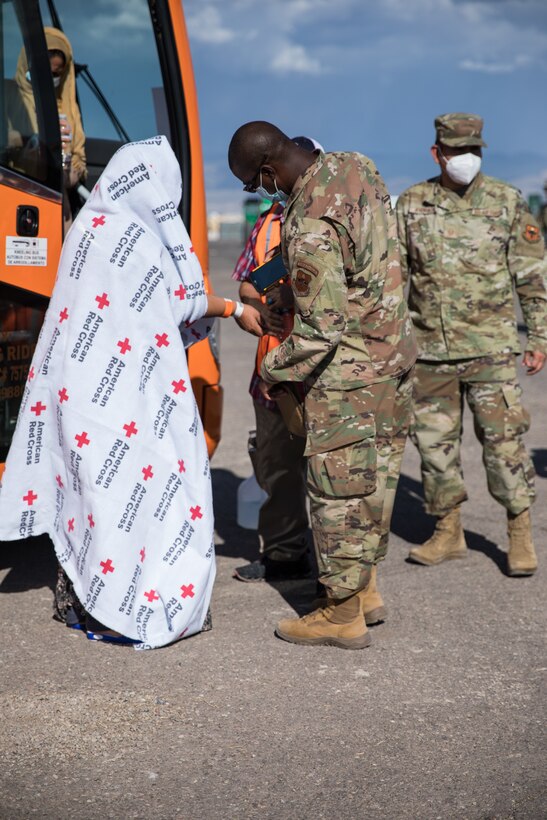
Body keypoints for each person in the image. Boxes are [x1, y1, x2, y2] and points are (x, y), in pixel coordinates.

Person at [0, 135, 262, 648]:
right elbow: (181, 302)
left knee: (91, 492)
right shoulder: (139, 239)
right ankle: (131, 597)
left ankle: (85, 597)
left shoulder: (86, 228)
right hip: (133, 400)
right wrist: (233, 309)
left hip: (79, 396)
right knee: (141, 493)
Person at [228, 122, 417, 649]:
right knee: (373, 486)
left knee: (337, 494)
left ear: (268, 168)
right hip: (393, 357)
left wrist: (274, 370)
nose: (266, 193)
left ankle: (341, 615)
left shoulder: (306, 220)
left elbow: (321, 330)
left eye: (259, 183)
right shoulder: (355, 164)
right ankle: (367, 591)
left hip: (348, 374)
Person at [396, 112, 547, 576]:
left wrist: (538, 334)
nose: (466, 160)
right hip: (431, 353)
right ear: (436, 153)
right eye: (457, 152)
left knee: (505, 446)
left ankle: (519, 532)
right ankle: (448, 531)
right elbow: (394, 277)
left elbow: (532, 274)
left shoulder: (506, 201)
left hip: (491, 350)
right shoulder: (412, 203)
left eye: (473, 151)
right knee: (435, 448)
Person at [232, 136, 323, 584]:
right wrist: (257, 303)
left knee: (334, 474)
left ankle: (343, 572)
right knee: (277, 467)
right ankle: (286, 555)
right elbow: (248, 284)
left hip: (324, 373)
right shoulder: (271, 223)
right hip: (272, 373)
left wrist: (293, 293)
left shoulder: (335, 216)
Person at [14, 27, 87, 228]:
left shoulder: (69, 108)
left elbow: (78, 165)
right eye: (43, 71)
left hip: (57, 210)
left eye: (56, 74)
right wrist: (30, 143)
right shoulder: (9, 97)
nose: (49, 79)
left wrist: (65, 167)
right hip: (15, 201)